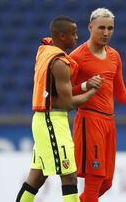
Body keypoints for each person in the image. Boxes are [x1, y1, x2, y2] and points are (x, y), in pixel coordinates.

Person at [15, 16, 102, 202]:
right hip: (52, 122)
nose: (77, 37)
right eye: (73, 33)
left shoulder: (45, 52)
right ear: (62, 36)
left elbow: (56, 95)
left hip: (44, 119)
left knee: (37, 177)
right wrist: (92, 92)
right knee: (69, 175)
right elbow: (69, 103)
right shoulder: (60, 63)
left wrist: (85, 85)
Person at [70, 8, 126, 202]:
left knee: (107, 182)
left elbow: (120, 92)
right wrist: (85, 85)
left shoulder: (114, 56)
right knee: (94, 180)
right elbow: (65, 93)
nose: (106, 32)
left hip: (109, 123)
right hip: (89, 120)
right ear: (90, 27)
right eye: (101, 27)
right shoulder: (77, 56)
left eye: (110, 28)